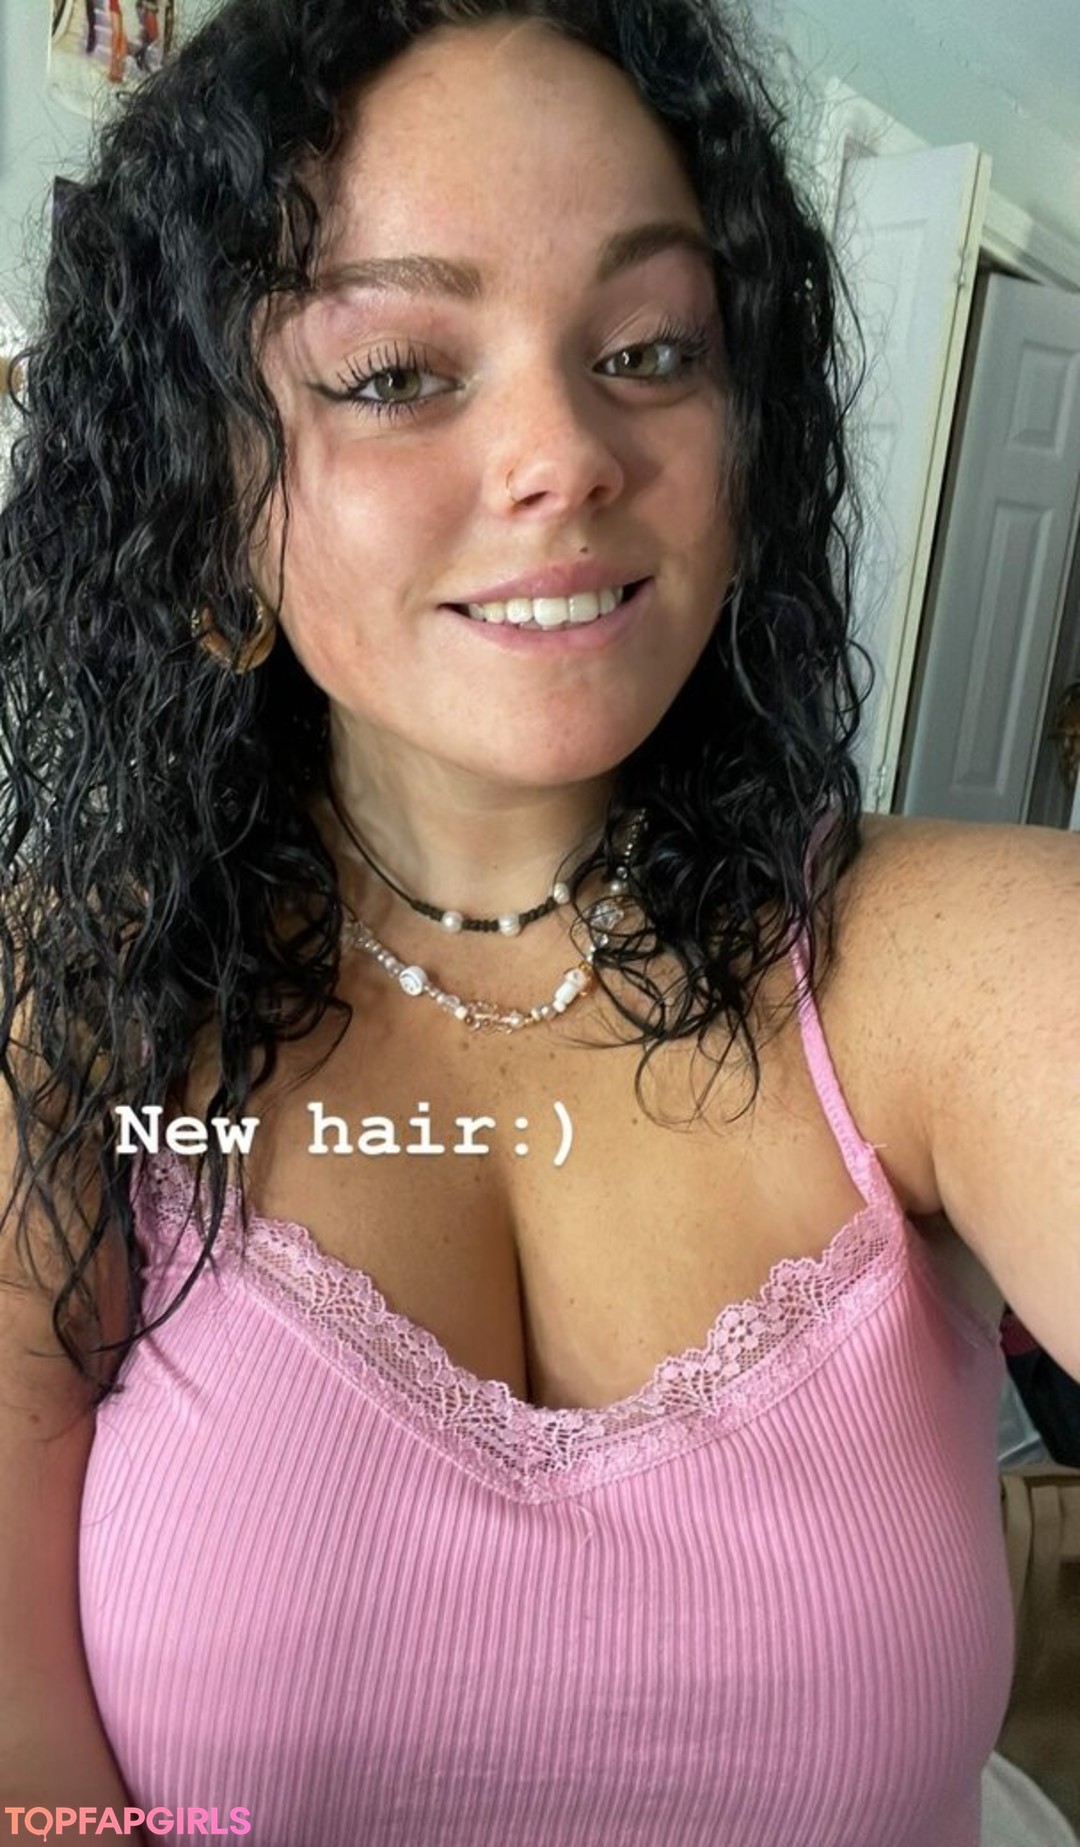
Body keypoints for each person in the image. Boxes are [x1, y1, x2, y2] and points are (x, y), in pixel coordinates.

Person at [0, 1, 1076, 1842]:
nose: (564, 452)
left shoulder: (946, 966)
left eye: (649, 348)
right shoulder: (74, 1014)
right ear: (212, 475)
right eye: (397, 373)